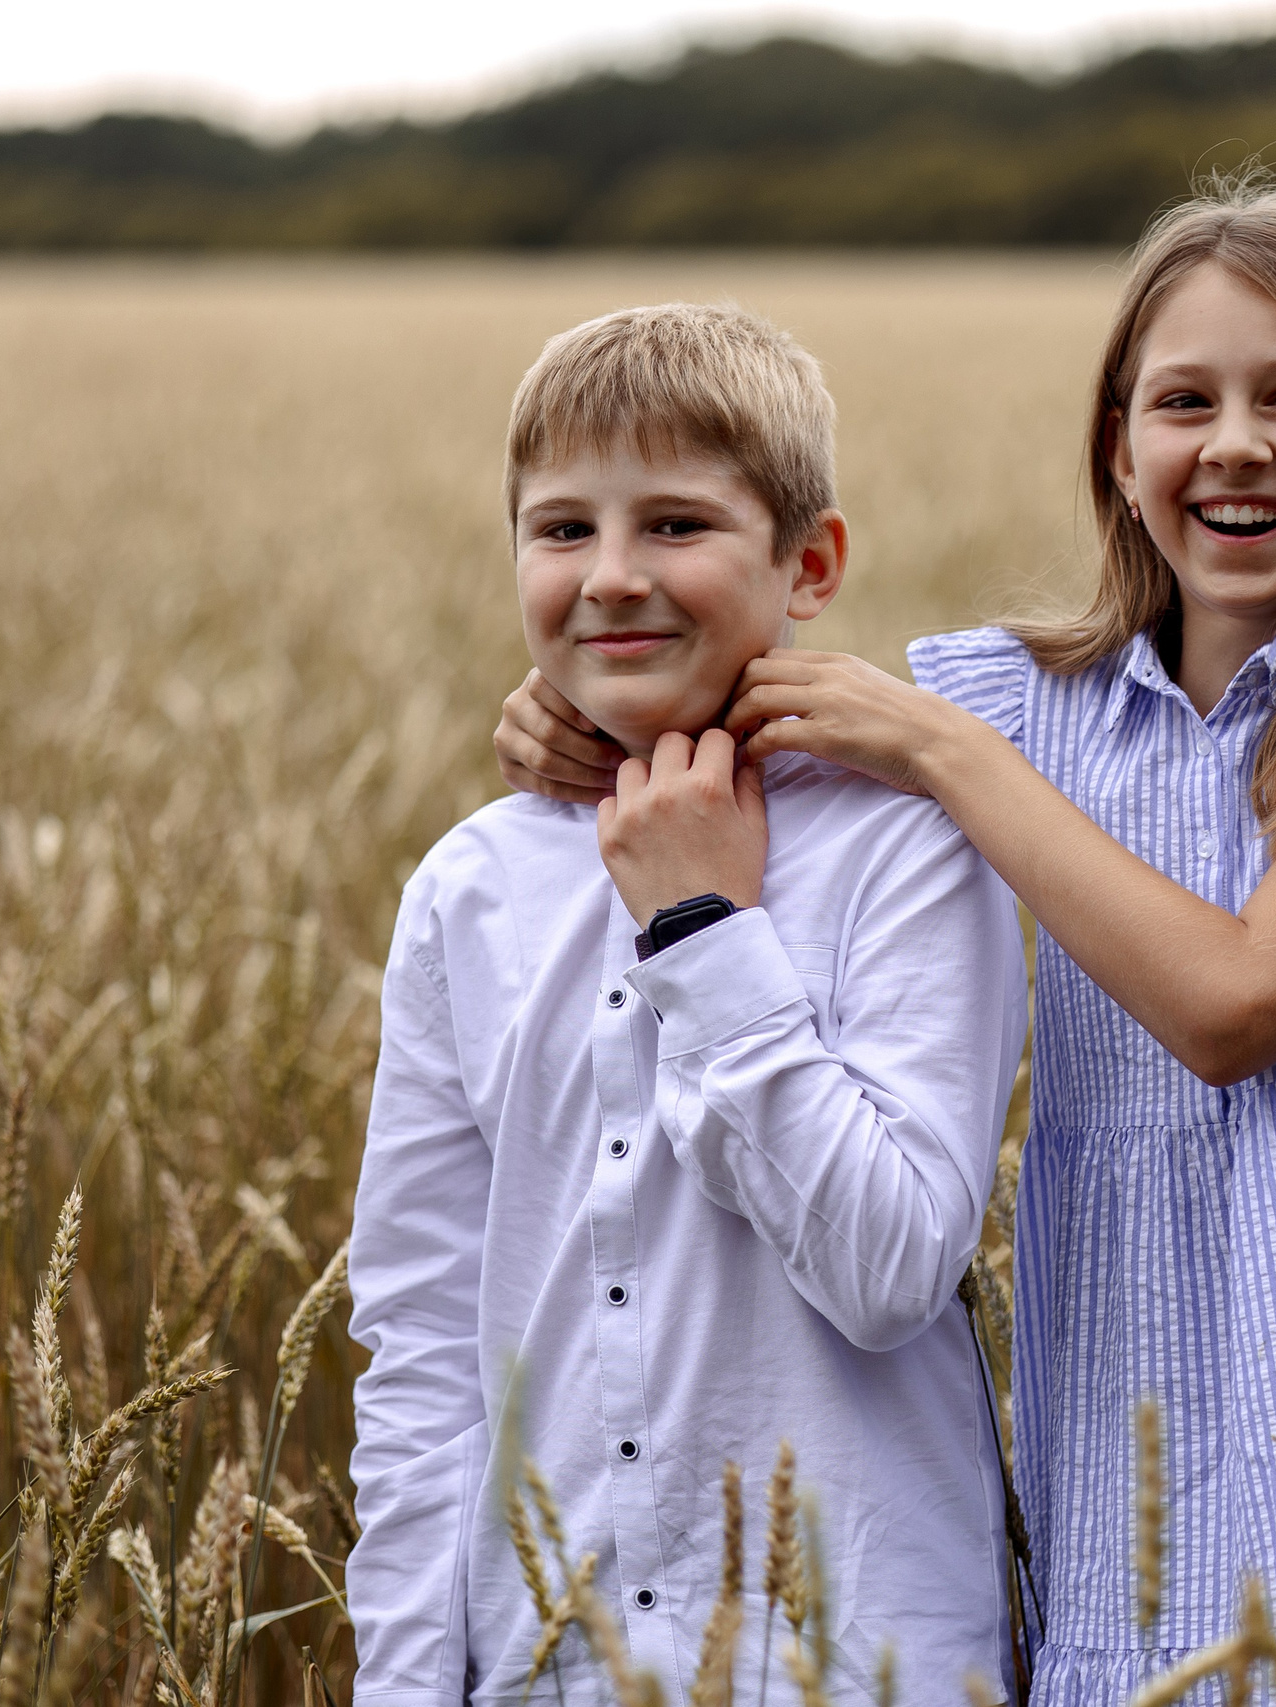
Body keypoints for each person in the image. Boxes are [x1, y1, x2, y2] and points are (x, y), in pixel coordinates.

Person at [495, 185, 1276, 1705]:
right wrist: (573, 721)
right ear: (1120, 454)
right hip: (1153, 1437)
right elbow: (723, 668)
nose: (1234, 443)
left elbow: (1239, 1002)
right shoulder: (1028, 709)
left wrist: (949, 756)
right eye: (1184, 402)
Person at [348, 302, 1028, 1707]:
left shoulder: (911, 851)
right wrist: (405, 1681)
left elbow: (890, 1270)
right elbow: (420, 1340)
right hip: (552, 1663)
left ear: (808, 563)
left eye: (675, 525)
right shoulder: (470, 889)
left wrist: (704, 933)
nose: (611, 578)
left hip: (852, 1663)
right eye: (561, 529)